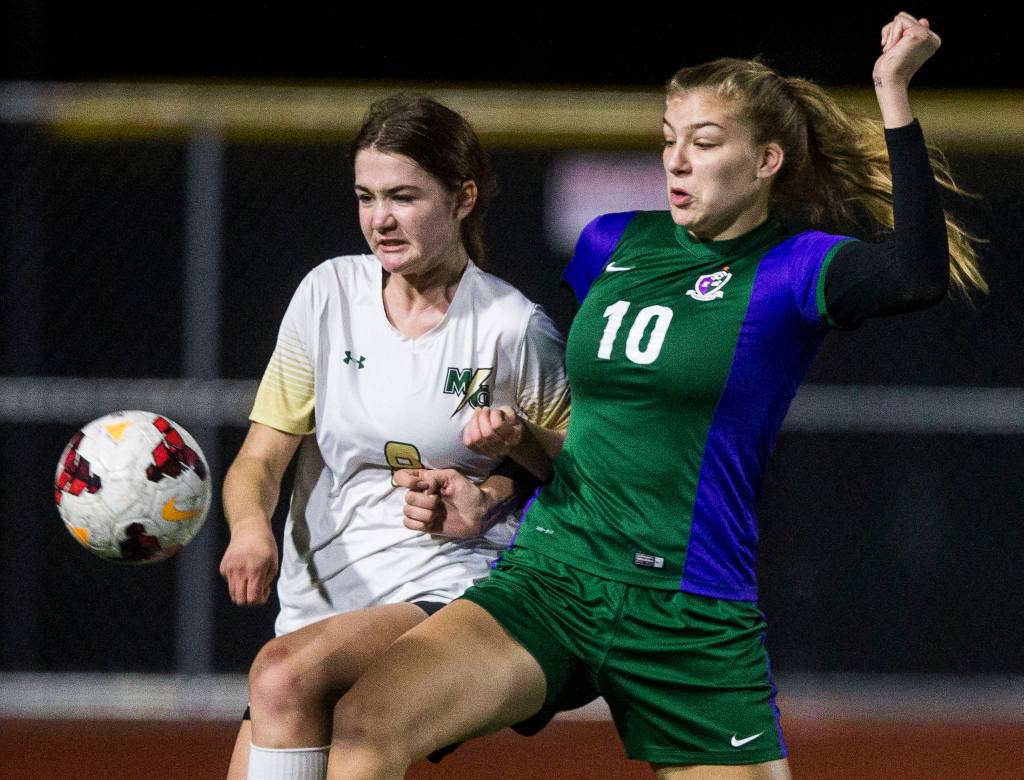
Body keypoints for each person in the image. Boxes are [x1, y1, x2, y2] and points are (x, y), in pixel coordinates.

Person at [325, 13, 985, 780]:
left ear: (767, 160)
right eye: (670, 139)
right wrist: (497, 487)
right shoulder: (612, 243)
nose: (676, 161)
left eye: (704, 144)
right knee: (366, 721)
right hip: (556, 576)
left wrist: (892, 92)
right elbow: (592, 431)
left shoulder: (795, 268)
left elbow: (917, 274)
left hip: (688, 610)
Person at [217, 94, 570, 780]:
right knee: (284, 676)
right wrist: (249, 526)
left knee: (284, 675)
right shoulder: (327, 295)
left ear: (463, 198)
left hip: (446, 590)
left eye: (403, 196)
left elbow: (581, 469)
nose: (380, 219)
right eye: (366, 196)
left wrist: (492, 494)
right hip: (316, 603)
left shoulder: (510, 326)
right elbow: (260, 458)